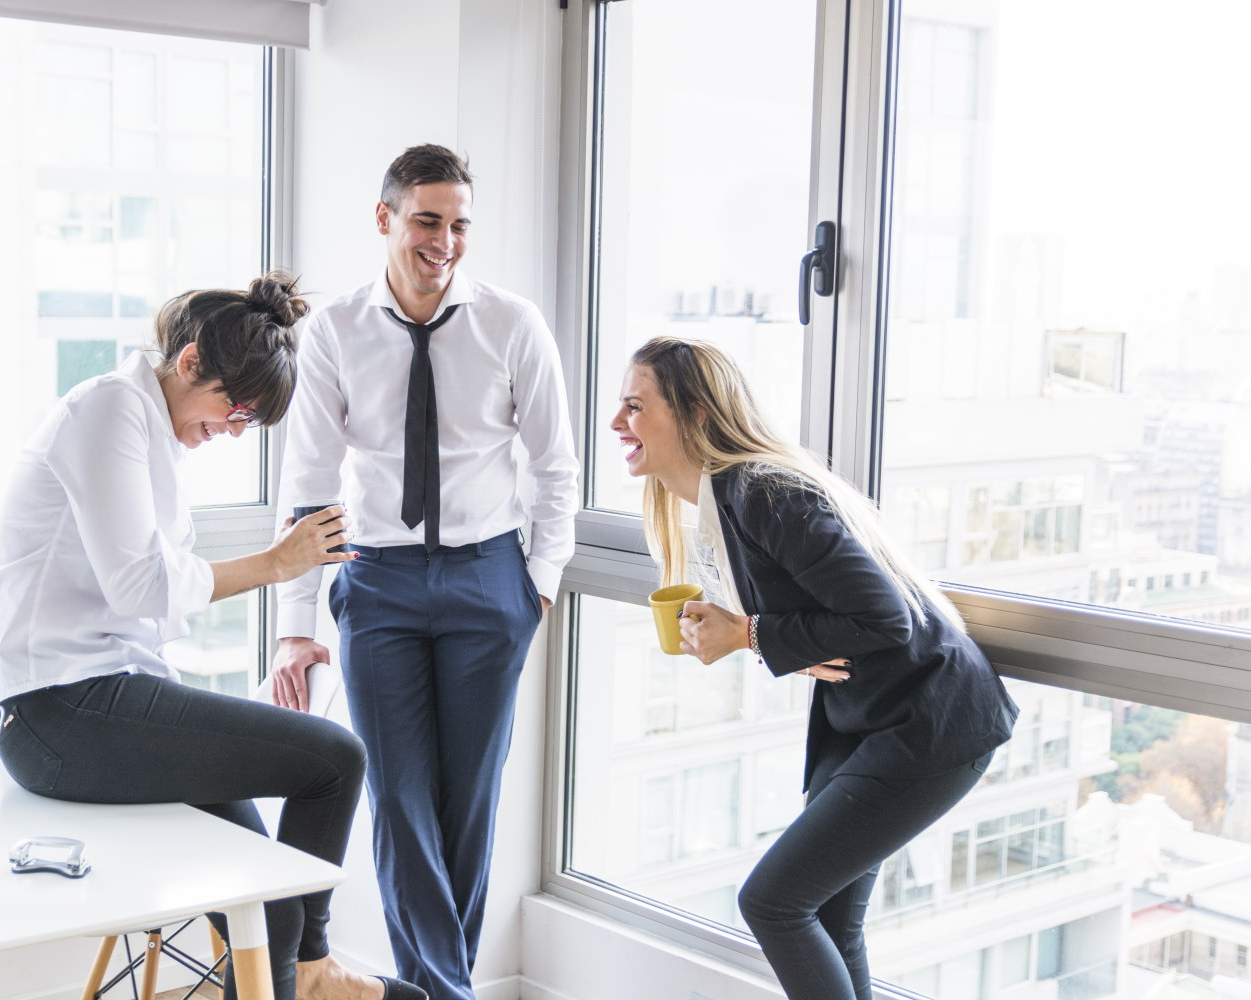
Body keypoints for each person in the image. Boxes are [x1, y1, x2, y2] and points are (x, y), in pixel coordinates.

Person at [0, 273, 426, 1000]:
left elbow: (146, 599)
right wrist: (280, 565)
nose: (233, 429)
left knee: (258, 871)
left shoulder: (150, 429)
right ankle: (310, 975)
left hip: (100, 696)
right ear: (188, 364)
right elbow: (142, 588)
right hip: (54, 713)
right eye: (234, 408)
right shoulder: (109, 412)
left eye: (248, 421)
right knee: (336, 760)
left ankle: (286, 976)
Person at [611, 336, 1018, 1000]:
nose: (616, 423)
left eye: (633, 406)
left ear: (695, 415)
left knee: (772, 902)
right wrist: (742, 631)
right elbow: (832, 617)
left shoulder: (764, 493)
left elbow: (888, 619)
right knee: (827, 916)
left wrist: (747, 634)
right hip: (869, 717)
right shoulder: (725, 502)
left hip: (931, 721)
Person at [272, 145, 579, 1000]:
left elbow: (557, 468)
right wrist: (297, 624)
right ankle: (448, 994)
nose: (444, 242)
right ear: (386, 219)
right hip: (378, 583)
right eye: (427, 221)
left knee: (465, 809)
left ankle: (432, 988)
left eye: (458, 225)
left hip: (491, 581)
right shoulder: (335, 331)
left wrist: (538, 585)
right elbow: (307, 484)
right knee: (398, 804)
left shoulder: (513, 325)